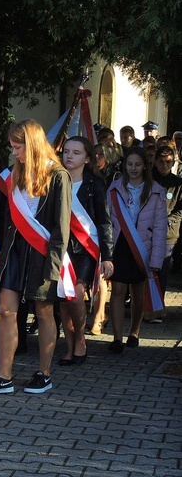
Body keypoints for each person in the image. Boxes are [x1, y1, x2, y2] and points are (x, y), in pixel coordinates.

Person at [0, 119, 71, 396]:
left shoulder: (58, 176)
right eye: (13, 147)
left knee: (43, 312)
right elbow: (7, 220)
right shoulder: (13, 174)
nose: (15, 153)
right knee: (6, 311)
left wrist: (54, 267)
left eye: (18, 147)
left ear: (33, 145)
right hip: (15, 252)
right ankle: (4, 376)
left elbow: (60, 227)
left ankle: (44, 373)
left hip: (42, 254)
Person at [58, 136, 114, 365]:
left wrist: (108, 257)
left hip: (85, 248)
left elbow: (104, 221)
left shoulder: (95, 184)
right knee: (63, 300)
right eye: (66, 152)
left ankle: (80, 338)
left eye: (76, 153)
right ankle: (69, 346)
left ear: (88, 158)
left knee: (76, 295)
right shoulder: (55, 181)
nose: (69, 156)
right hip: (61, 249)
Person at [106, 147, 167, 352]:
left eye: (137, 164)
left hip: (143, 247)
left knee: (138, 292)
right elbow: (106, 222)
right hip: (120, 245)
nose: (133, 168)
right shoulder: (114, 188)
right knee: (117, 290)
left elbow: (160, 227)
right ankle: (116, 338)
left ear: (145, 166)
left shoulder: (156, 191)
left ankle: (134, 331)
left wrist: (156, 259)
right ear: (125, 165)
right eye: (129, 164)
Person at [149, 146, 182, 323]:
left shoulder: (178, 183)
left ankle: (158, 308)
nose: (164, 165)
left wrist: (167, 220)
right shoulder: (148, 179)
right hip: (146, 231)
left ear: (173, 162)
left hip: (168, 234)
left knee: (161, 272)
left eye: (168, 162)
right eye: (161, 161)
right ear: (155, 161)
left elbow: (180, 210)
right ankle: (146, 306)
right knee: (146, 270)